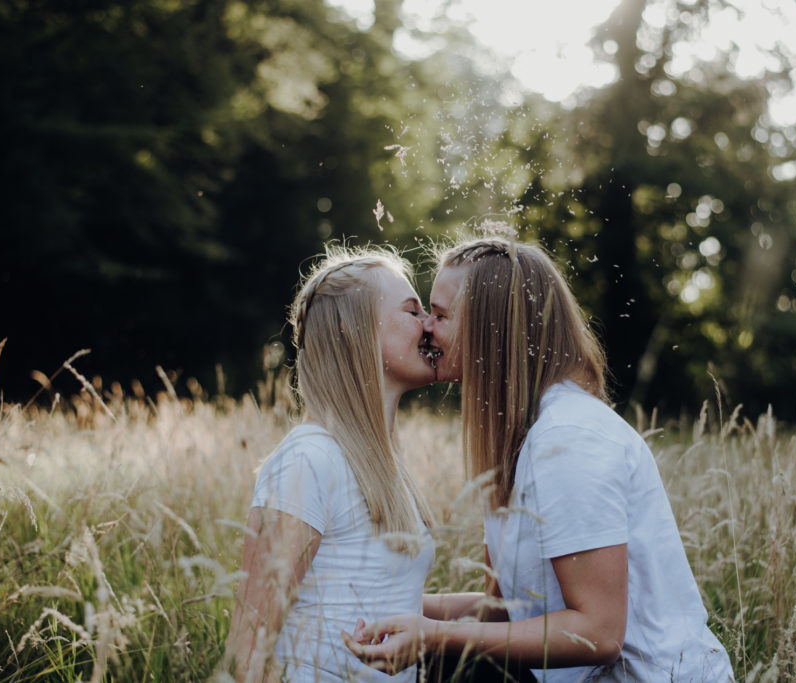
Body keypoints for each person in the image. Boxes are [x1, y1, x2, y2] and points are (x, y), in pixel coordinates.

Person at [343, 236, 734, 682]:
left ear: (490, 328)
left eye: (442, 314)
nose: (428, 327)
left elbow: (600, 633)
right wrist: (374, 603)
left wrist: (431, 635)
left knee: (449, 662)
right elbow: (502, 609)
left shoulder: (567, 440)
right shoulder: (520, 441)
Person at [221, 245, 437, 683]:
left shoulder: (379, 465)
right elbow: (247, 651)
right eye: (413, 310)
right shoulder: (309, 459)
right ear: (351, 329)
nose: (429, 324)